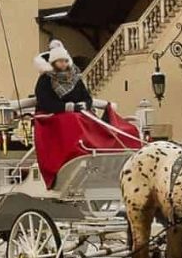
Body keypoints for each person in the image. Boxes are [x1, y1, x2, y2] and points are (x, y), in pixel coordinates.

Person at [29, 40, 141, 187]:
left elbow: (86, 97)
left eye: (64, 61)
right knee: (73, 120)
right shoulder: (45, 80)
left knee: (87, 120)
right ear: (53, 63)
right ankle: (81, 150)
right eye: (59, 61)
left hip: (79, 113)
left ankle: (103, 148)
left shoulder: (75, 78)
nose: (62, 64)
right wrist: (68, 107)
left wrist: (85, 104)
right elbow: (45, 103)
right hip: (53, 116)